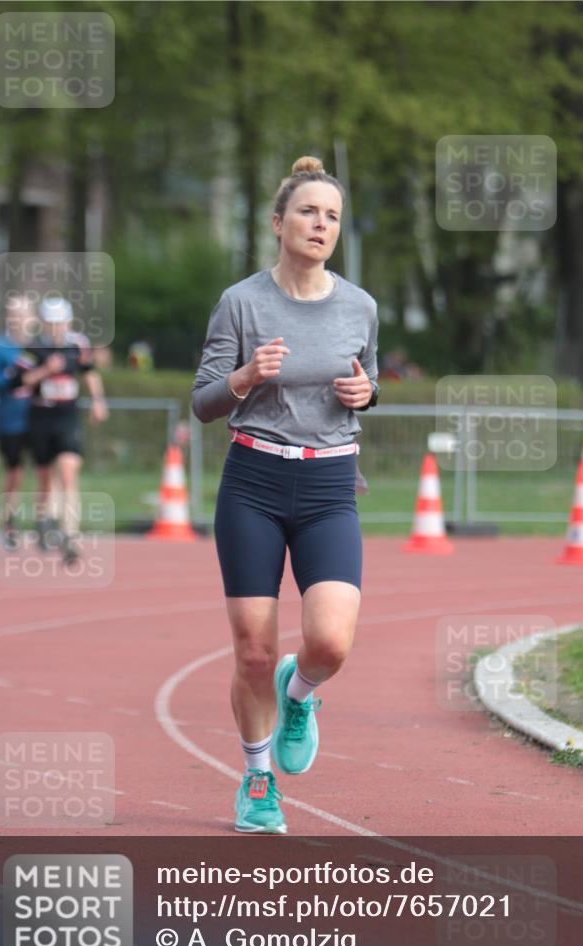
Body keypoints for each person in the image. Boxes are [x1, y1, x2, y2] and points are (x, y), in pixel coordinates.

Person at [192, 155, 380, 834]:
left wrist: (368, 393)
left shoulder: (360, 305)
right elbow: (204, 403)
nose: (319, 224)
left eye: (330, 215)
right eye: (307, 211)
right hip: (254, 481)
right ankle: (258, 777)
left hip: (329, 483)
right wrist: (246, 376)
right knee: (251, 650)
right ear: (278, 222)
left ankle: (299, 695)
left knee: (328, 644)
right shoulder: (241, 302)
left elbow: (368, 378)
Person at [8, 296, 108, 565]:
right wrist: (45, 370)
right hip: (41, 418)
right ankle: (43, 520)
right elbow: (19, 382)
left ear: (68, 321)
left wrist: (98, 401)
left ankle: (71, 537)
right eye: (51, 323)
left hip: (67, 417)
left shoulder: (77, 344)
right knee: (46, 479)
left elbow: (89, 372)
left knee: (68, 473)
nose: (56, 328)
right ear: (44, 323)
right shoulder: (33, 348)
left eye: (61, 322)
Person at [0, 295, 36, 549]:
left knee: (49, 470)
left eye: (21, 313)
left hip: (40, 418)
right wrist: (10, 378)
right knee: (15, 473)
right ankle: (9, 524)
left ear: (31, 317)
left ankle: (47, 523)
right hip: (10, 419)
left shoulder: (40, 346)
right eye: (12, 313)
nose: (16, 318)